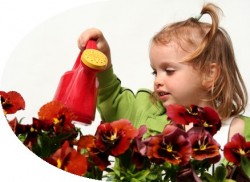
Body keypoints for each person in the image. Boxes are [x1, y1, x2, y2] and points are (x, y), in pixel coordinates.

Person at [78, 2, 250, 173]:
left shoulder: (239, 130)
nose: (158, 80)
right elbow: (111, 97)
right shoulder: (144, 110)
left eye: (169, 71)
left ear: (209, 74)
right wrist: (103, 60)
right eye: (155, 72)